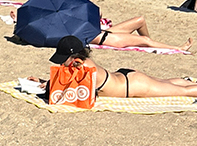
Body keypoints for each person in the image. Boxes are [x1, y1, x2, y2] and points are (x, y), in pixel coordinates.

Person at [31, 35, 197, 98]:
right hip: (128, 78)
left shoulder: (83, 68)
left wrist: (48, 86)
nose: (61, 63)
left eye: (63, 60)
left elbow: (69, 91)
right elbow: (68, 82)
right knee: (168, 83)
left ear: (74, 57)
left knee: (182, 92)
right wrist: (44, 81)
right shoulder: (82, 63)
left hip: (133, 85)